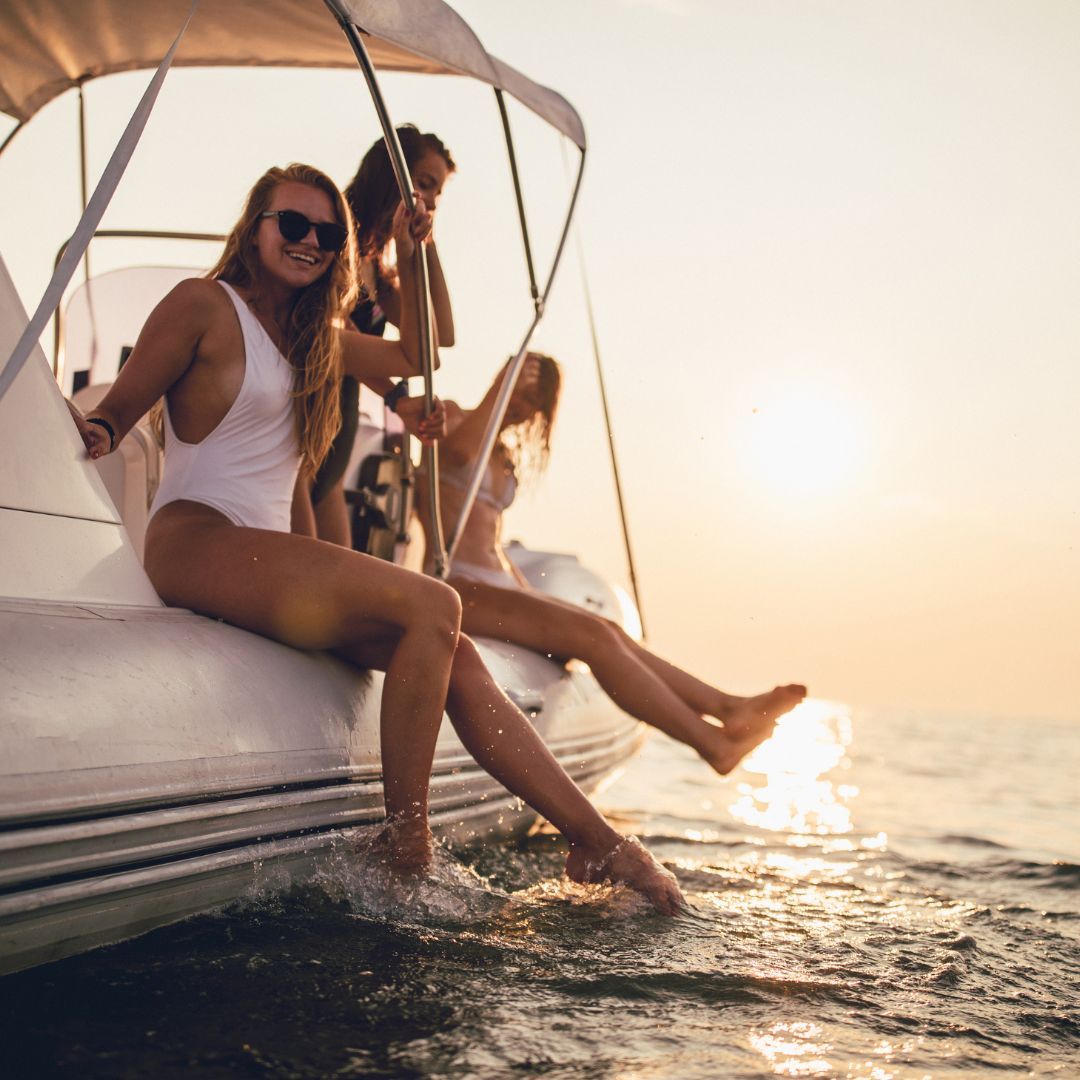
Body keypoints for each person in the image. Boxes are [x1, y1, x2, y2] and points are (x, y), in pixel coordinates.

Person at [67, 163, 684, 915]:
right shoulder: (204, 304)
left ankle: (599, 842)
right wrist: (95, 429)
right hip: (197, 535)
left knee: (451, 648)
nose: (309, 242)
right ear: (254, 226)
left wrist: (416, 250)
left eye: (327, 234)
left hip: (262, 552)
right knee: (434, 602)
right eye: (292, 224)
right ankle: (406, 847)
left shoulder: (314, 340)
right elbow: (119, 409)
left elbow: (417, 358)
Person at [416, 354, 807, 773]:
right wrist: (502, 386)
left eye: (533, 400)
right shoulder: (456, 421)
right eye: (519, 393)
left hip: (499, 581)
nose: (520, 406)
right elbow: (455, 455)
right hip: (456, 582)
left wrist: (529, 598)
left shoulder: (500, 449)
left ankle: (728, 708)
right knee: (594, 639)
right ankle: (713, 744)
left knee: (607, 630)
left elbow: (490, 533)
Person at [297, 126, 456, 545]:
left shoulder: (378, 269)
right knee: (313, 578)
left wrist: (427, 243)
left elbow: (441, 334)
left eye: (436, 196)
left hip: (336, 438)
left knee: (336, 582)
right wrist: (397, 400)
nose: (429, 202)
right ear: (393, 176)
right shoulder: (331, 242)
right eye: (423, 186)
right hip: (306, 436)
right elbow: (335, 344)